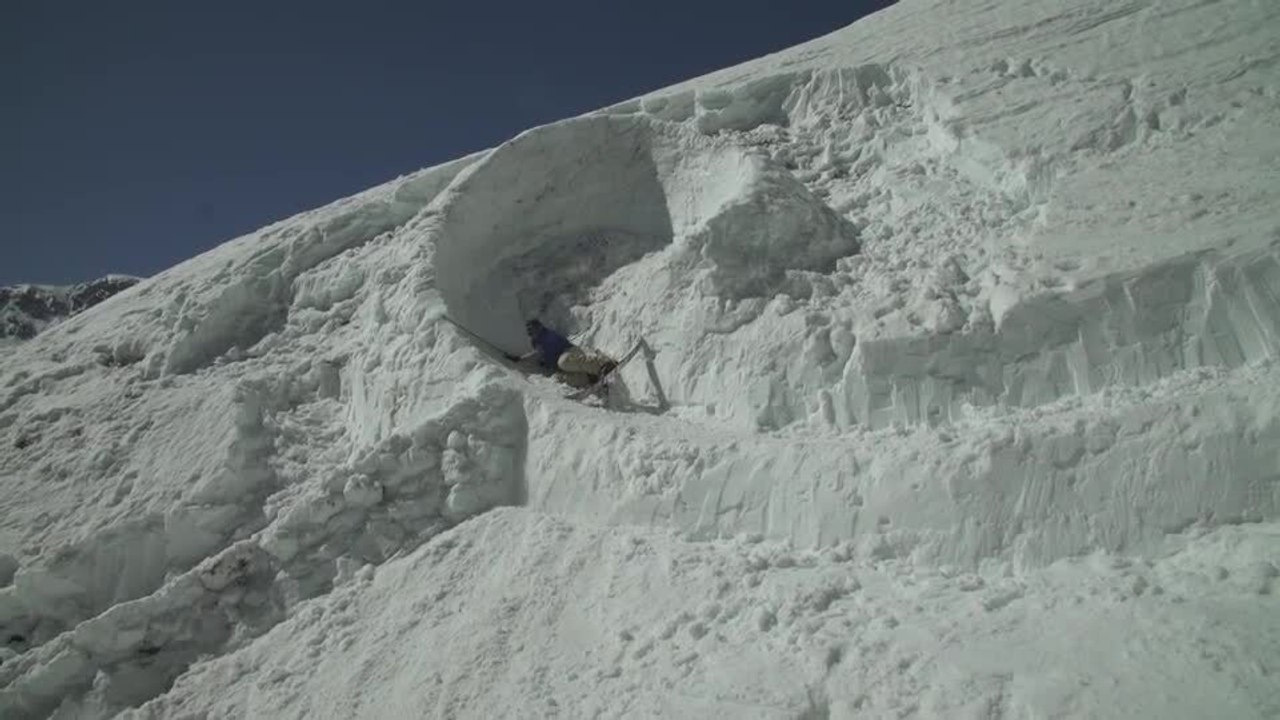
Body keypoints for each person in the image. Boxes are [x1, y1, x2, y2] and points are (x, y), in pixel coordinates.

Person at [505, 319, 616, 388]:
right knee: (558, 378)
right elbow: (537, 354)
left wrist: (545, 359)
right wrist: (520, 359)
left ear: (539, 327)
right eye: (530, 331)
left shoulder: (547, 335)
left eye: (533, 329)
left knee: (563, 362)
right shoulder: (536, 342)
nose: (532, 332)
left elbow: (547, 350)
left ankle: (601, 365)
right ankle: (590, 377)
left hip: (569, 353)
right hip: (562, 365)